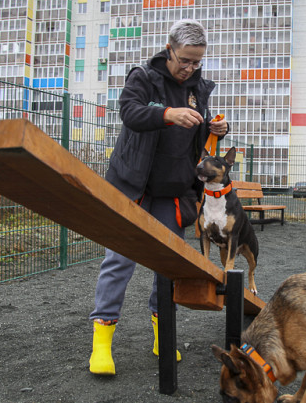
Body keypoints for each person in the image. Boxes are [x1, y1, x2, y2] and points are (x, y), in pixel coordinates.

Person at [88, 19, 229, 376]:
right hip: (133, 186)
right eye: (185, 60)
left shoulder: (199, 89)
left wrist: (215, 129)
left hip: (173, 192)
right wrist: (167, 113)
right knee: (119, 261)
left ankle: (161, 334)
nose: (190, 68)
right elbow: (130, 113)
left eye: (197, 62)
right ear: (169, 50)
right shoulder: (144, 78)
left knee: (168, 266)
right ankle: (101, 343)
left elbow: (196, 137)